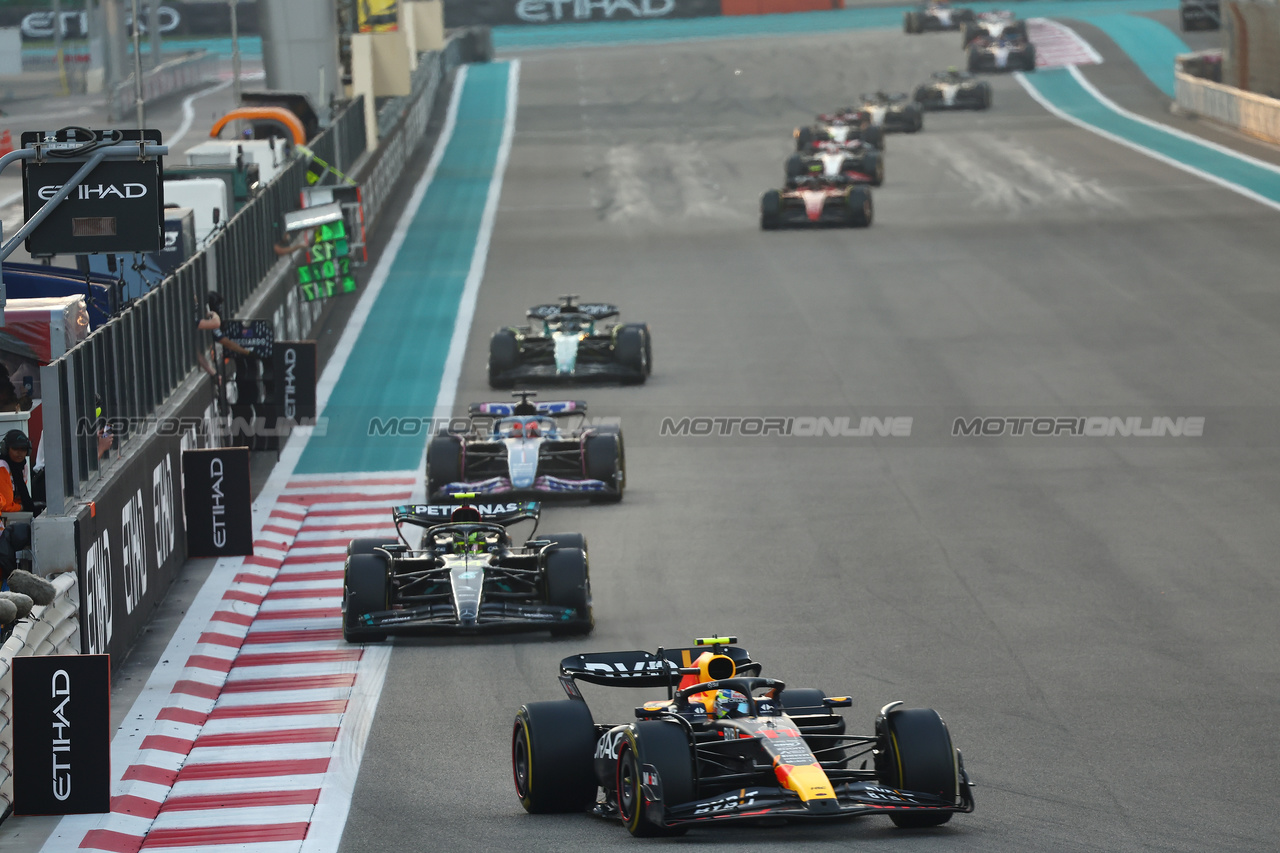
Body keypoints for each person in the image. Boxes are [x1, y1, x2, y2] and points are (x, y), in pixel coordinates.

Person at [197, 291, 255, 378]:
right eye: (217, 305)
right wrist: (246, 352)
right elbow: (225, 341)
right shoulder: (206, 319)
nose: (220, 309)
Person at [0, 430, 36, 514]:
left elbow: (18, 498)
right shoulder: (2, 467)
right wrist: (22, 507)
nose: (19, 453)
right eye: (15, 448)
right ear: (6, 449)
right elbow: (6, 506)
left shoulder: (23, 467)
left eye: (23, 449)